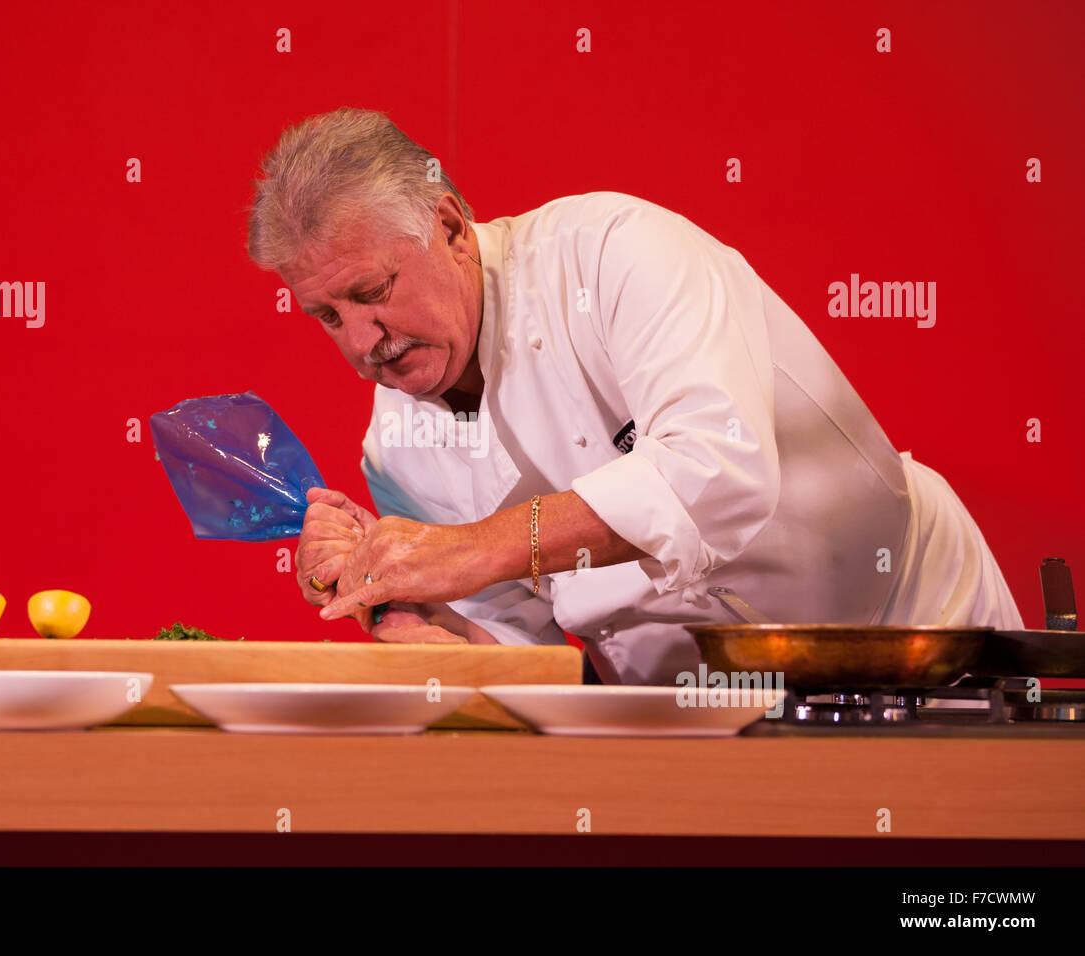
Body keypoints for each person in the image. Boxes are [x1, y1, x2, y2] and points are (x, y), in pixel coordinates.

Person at [245, 107, 1024, 685]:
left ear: (449, 224)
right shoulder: (395, 450)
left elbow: (717, 471)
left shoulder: (613, 254)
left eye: (371, 291)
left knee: (970, 892)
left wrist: (463, 548)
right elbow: (530, 662)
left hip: (910, 622)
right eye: (326, 316)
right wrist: (407, 614)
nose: (360, 341)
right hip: (687, 712)